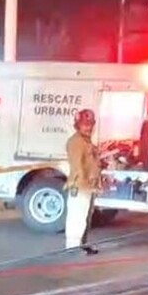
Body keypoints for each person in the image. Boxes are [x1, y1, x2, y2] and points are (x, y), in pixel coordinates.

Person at [65, 109, 101, 255]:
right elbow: (77, 165)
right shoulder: (76, 142)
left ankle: (83, 244)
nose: (89, 127)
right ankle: (73, 248)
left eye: (91, 124)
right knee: (77, 217)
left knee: (86, 217)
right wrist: (86, 182)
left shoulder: (86, 141)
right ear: (78, 125)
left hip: (88, 186)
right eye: (85, 124)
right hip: (80, 185)